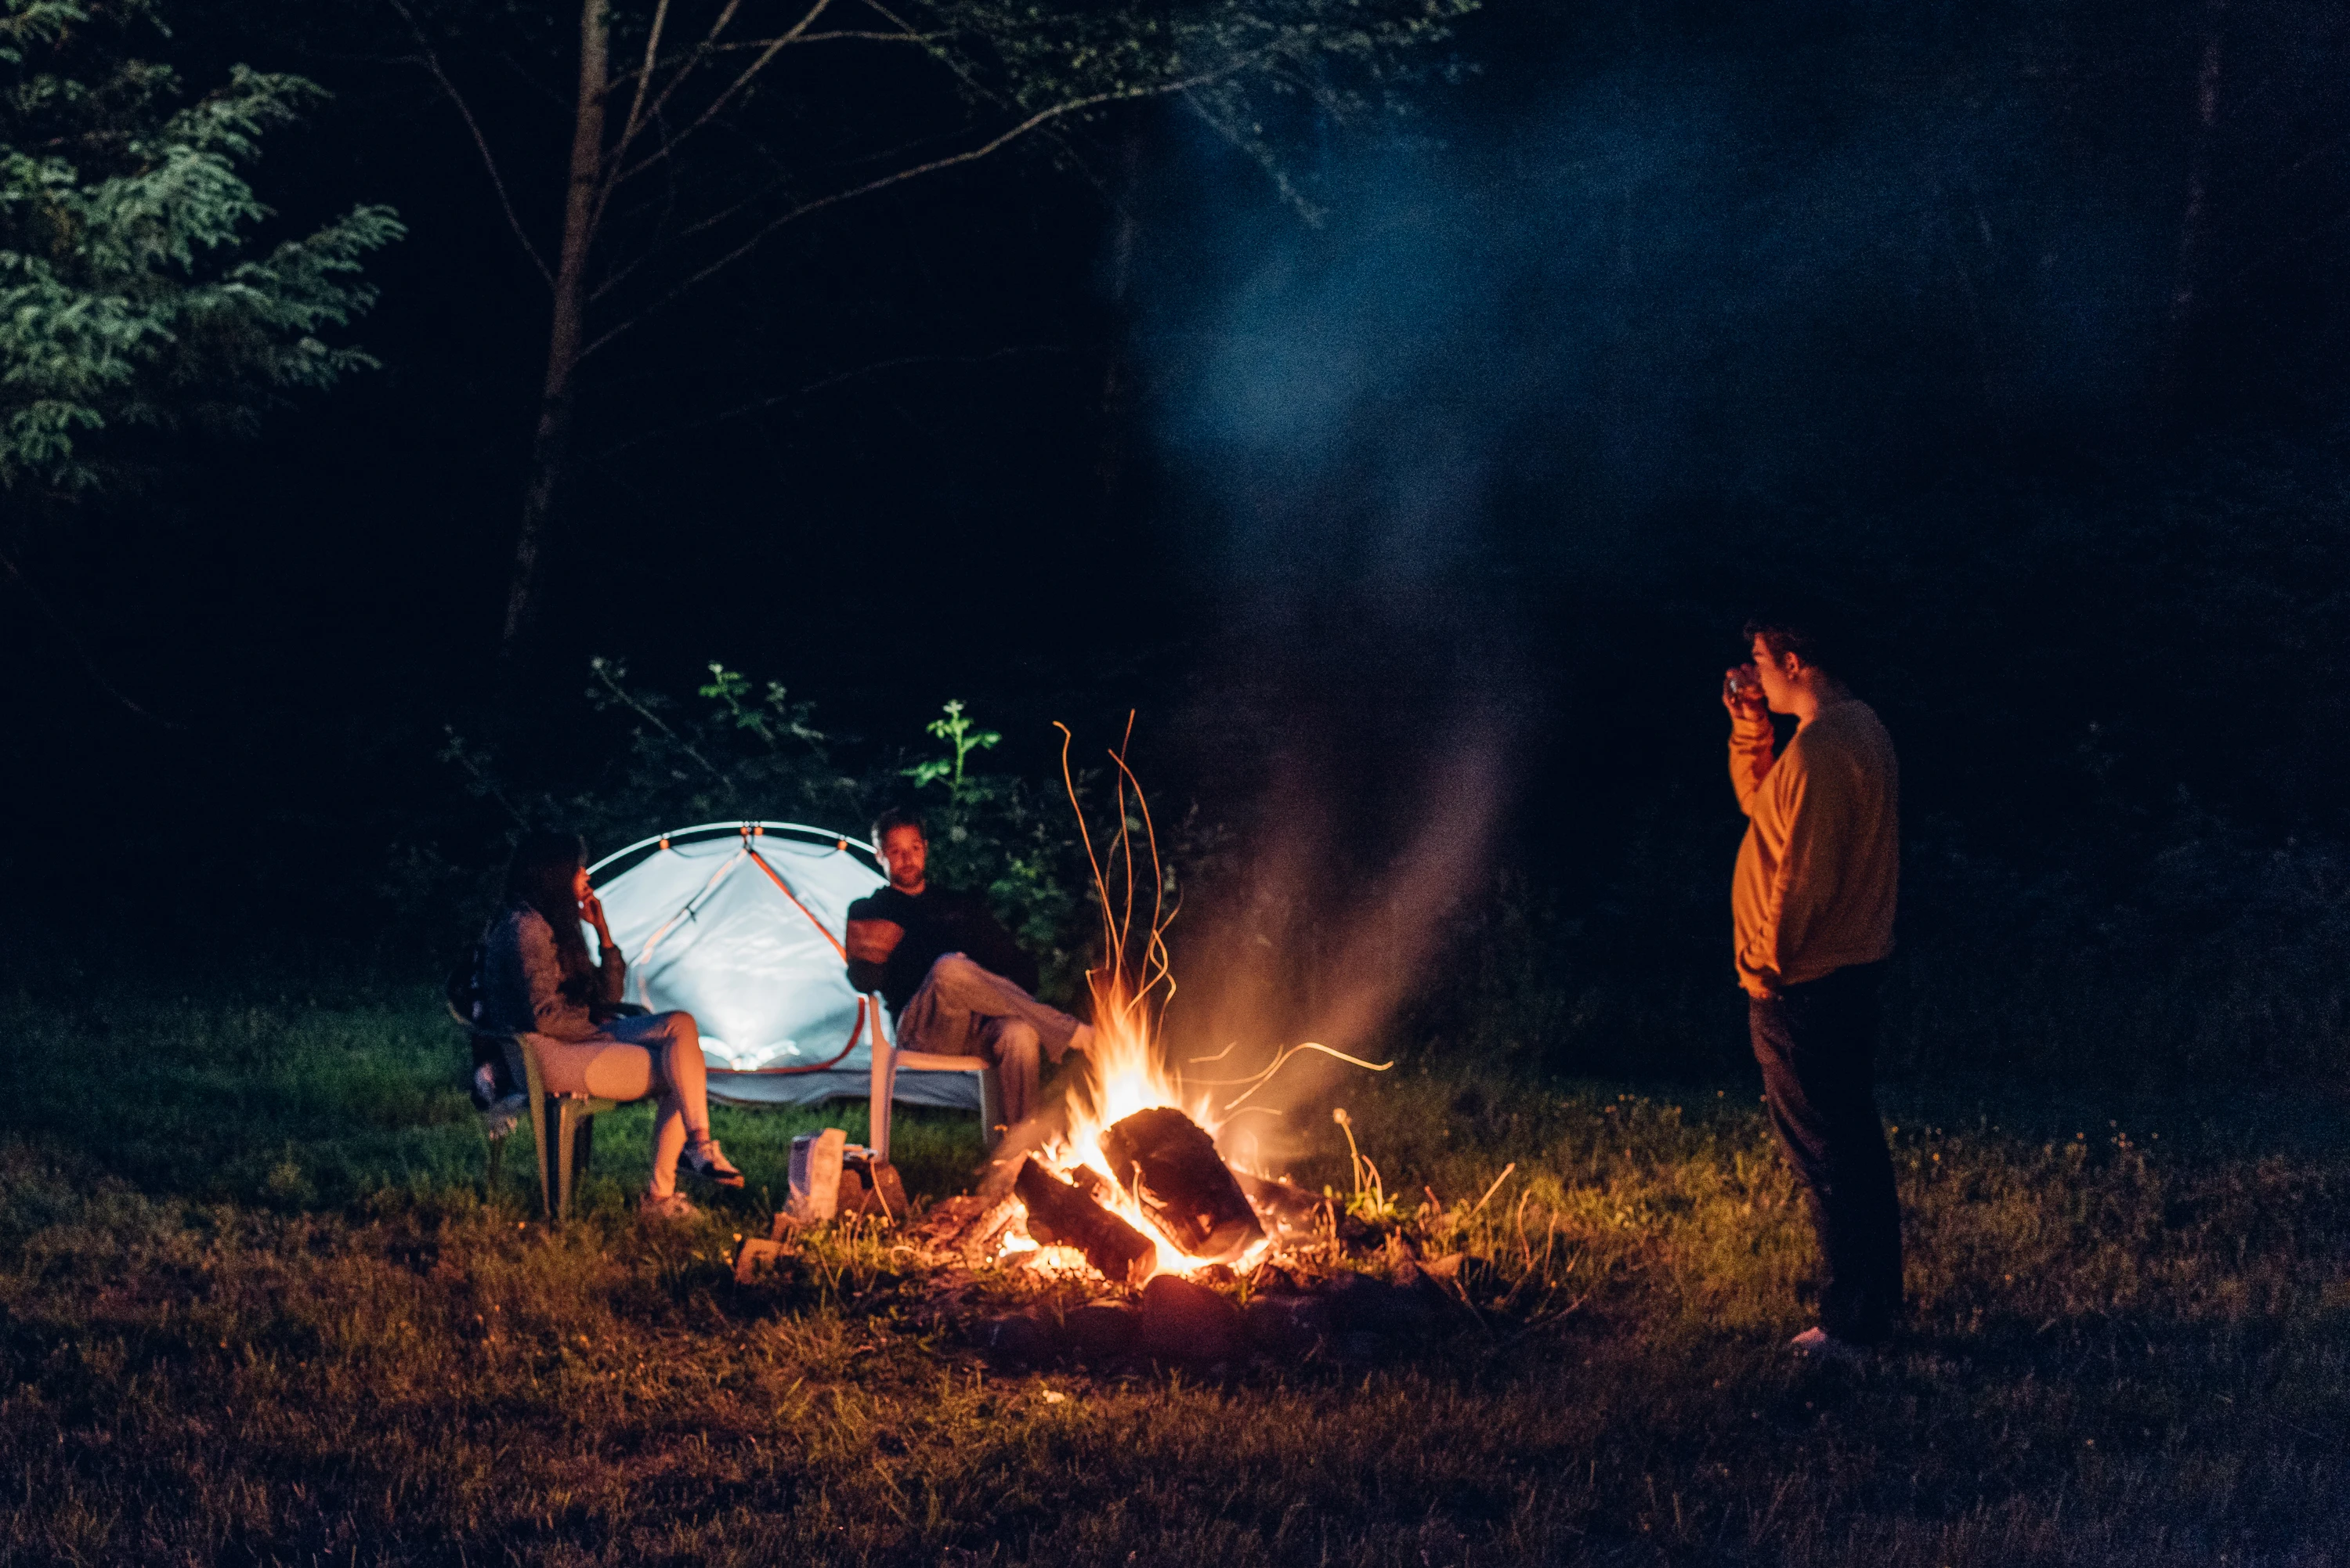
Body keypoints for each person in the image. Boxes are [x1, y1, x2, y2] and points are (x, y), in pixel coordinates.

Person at [1723, 613, 1903, 1353]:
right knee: (1851, 1145)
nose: (1754, 673)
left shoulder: (1827, 751)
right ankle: (1869, 1309)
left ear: (1794, 661)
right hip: (1844, 972)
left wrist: (1766, 969)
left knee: (1828, 1155)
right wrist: (1749, 731)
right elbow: (1765, 810)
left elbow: (1801, 876)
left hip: (1806, 982)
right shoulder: (1852, 731)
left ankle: (1852, 1325)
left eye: (1761, 661)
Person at [479, 830, 742, 1219]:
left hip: (575, 1039)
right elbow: (543, 1016)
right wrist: (597, 1030)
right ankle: (662, 1196)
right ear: (554, 873)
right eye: (578, 867)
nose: (586, 875)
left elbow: (609, 997)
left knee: (681, 1028)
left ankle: (697, 1147)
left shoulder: (551, 922)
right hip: (548, 1054)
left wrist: (602, 933)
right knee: (682, 1069)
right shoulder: (527, 928)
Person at [844, 807, 1093, 1131]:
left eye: (914, 848)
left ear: (926, 849)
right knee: (949, 969)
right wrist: (872, 954)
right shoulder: (871, 909)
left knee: (1019, 1032)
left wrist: (986, 973)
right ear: (880, 855)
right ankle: (1070, 1033)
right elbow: (863, 982)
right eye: (896, 851)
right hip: (923, 1030)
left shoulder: (958, 906)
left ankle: (1019, 1152)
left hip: (978, 1029)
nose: (907, 859)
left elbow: (1021, 973)